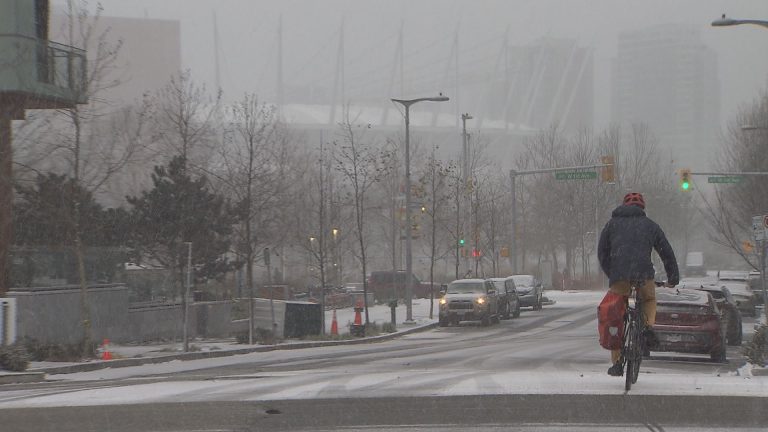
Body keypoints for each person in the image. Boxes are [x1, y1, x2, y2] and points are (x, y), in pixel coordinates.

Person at [597, 192, 679, 377]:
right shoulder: (650, 226)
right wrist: (673, 277)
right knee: (648, 299)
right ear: (642, 208)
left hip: (619, 276)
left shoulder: (611, 225)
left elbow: (602, 252)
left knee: (616, 315)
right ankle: (647, 328)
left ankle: (617, 363)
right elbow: (666, 252)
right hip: (643, 273)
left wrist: (612, 273)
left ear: (623, 206)